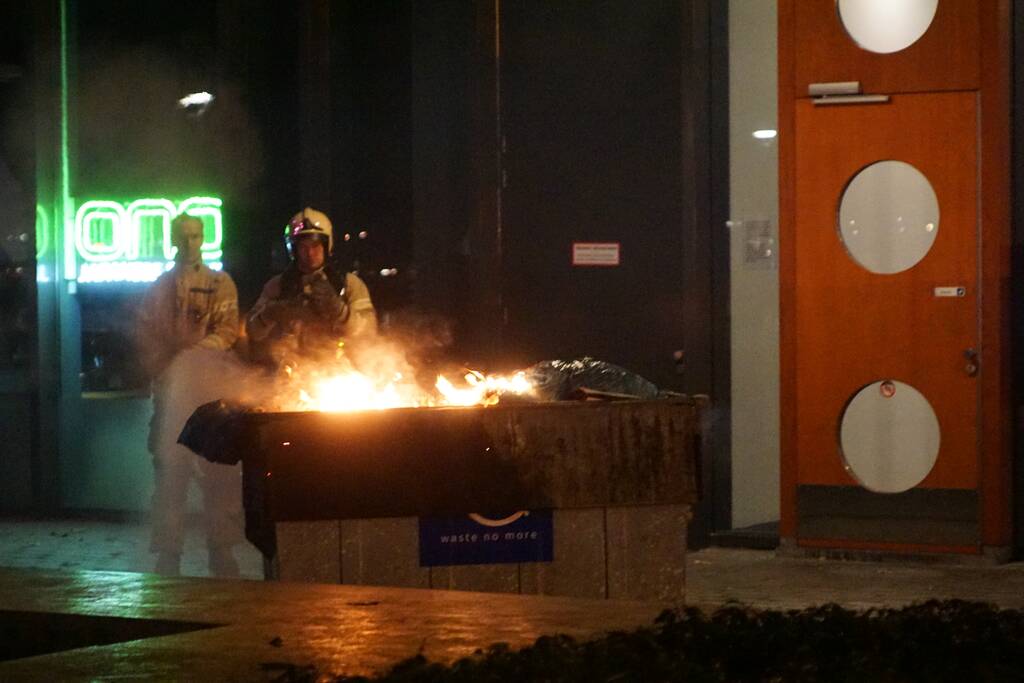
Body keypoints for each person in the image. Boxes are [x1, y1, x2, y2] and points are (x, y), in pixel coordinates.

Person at [136, 213, 243, 577]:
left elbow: (228, 330)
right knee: (170, 477)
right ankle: (169, 553)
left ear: (203, 238)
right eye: (183, 236)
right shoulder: (160, 287)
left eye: (195, 236)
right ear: (173, 240)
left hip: (209, 396)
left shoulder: (219, 283)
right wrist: (165, 365)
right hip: (171, 397)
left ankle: (221, 550)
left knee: (219, 478)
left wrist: (191, 356)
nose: (189, 243)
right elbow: (146, 333)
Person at [246, 207, 376, 366]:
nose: (310, 253)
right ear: (293, 249)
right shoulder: (277, 286)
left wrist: (339, 310)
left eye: (315, 245)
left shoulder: (349, 284)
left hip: (339, 371)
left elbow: (368, 331)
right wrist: (270, 313)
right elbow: (253, 332)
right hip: (290, 371)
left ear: (327, 246)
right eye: (303, 247)